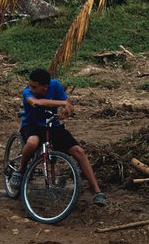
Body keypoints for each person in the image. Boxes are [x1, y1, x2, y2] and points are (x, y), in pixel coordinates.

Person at [11, 67, 107, 205]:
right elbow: (36, 102)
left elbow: (68, 105)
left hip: (52, 125)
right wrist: (63, 103)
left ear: (45, 87)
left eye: (34, 86)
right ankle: (20, 171)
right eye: (30, 85)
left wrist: (68, 109)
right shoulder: (27, 92)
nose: (30, 88)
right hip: (32, 125)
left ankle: (97, 191)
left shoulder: (55, 85)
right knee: (32, 142)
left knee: (78, 151)